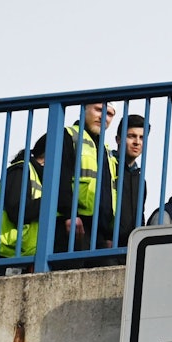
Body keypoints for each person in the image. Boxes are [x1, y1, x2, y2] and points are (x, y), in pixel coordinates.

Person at [54, 102, 117, 266]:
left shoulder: (105, 149)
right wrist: (69, 214)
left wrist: (109, 233)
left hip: (99, 230)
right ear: (84, 109)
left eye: (110, 114)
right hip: (75, 224)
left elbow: (108, 192)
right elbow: (60, 177)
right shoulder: (69, 135)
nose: (103, 117)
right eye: (98, 110)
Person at [0, 135, 46, 275]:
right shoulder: (21, 170)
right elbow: (17, 210)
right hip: (10, 253)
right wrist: (50, 201)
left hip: (27, 254)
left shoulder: (42, 178)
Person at [114, 114, 147, 248]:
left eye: (142, 138)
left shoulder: (140, 179)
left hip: (130, 247)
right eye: (131, 136)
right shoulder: (108, 168)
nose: (137, 142)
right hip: (106, 244)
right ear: (118, 139)